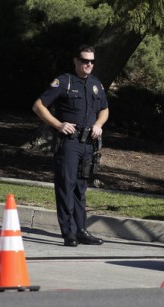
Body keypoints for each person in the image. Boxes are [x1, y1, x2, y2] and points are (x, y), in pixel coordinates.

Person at [32, 45, 109, 247]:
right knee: (66, 186)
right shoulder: (64, 82)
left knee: (81, 188)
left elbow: (105, 110)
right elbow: (38, 105)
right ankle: (68, 233)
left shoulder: (96, 84)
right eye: (84, 61)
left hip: (88, 144)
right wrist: (58, 124)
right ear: (75, 61)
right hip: (69, 143)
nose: (88, 65)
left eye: (92, 61)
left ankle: (81, 230)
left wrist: (99, 125)